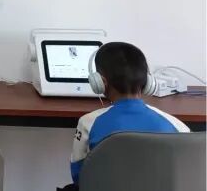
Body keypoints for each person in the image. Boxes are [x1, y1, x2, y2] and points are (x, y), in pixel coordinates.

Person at [61, 42, 190, 190]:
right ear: (147, 82)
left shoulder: (88, 123)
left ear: (101, 82)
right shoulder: (177, 125)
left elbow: (78, 175)